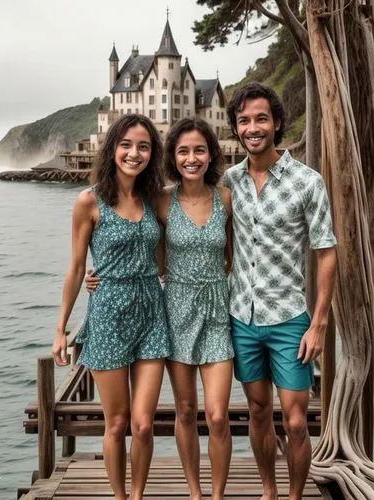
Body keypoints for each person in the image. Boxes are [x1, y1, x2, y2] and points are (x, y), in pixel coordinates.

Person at [86, 117, 234, 500]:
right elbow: (139, 244)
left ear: (211, 154)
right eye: (183, 151)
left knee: (217, 415)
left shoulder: (226, 198)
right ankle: (195, 493)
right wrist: (98, 275)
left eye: (199, 149)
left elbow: (233, 255)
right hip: (174, 311)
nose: (191, 158)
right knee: (185, 410)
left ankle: (216, 496)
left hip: (216, 311)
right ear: (172, 156)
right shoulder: (161, 200)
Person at [224, 82, 337, 500]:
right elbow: (191, 230)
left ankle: (293, 496)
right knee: (257, 411)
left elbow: (326, 252)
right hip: (242, 318)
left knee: (294, 421)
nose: (252, 128)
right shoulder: (228, 181)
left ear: (275, 123)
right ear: (237, 128)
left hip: (290, 318)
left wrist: (319, 323)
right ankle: (269, 491)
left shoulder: (308, 182)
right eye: (244, 121)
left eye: (260, 119)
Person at [52, 114, 170, 500]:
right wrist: (61, 329)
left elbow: (168, 254)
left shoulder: (154, 198)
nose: (134, 153)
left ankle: (137, 495)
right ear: (112, 148)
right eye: (126, 145)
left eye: (143, 146)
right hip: (107, 318)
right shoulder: (89, 201)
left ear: (152, 154)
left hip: (152, 313)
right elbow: (73, 268)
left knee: (144, 424)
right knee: (117, 423)